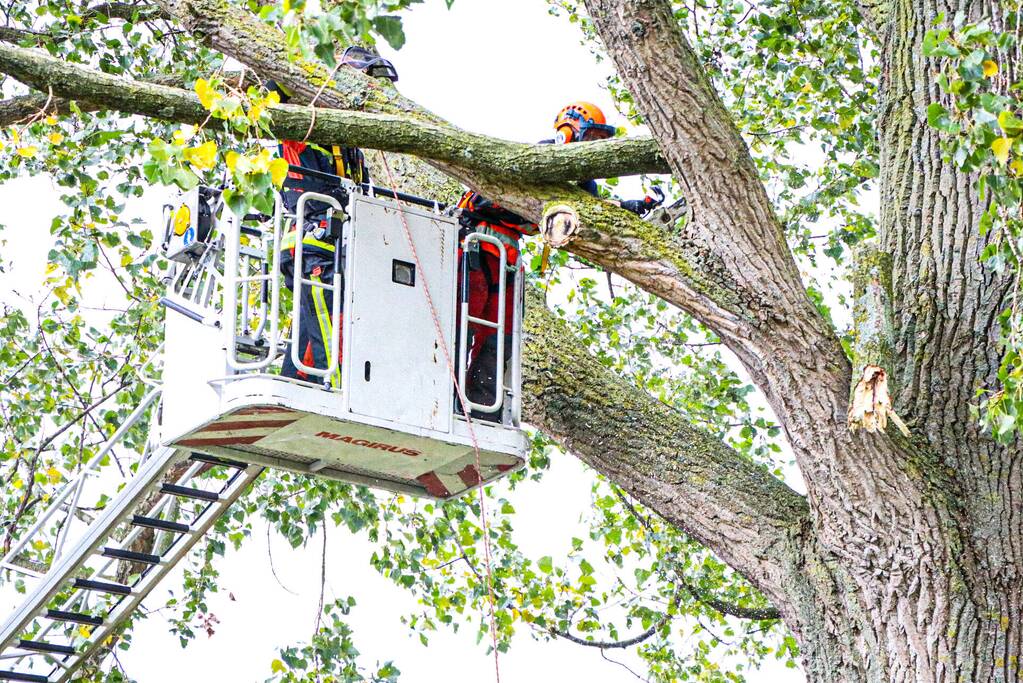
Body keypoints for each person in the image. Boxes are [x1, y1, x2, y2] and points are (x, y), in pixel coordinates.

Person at [458, 101, 660, 415]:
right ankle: (446, 393)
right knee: (462, 323)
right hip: (476, 242)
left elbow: (595, 211)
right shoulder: (541, 157)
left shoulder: (584, 185)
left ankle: (482, 406)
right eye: (590, 136)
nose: (593, 146)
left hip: (507, 256)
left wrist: (632, 206)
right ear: (572, 129)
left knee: (501, 336)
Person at [270, 46, 398, 387]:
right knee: (332, 336)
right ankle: (339, 392)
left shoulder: (352, 150)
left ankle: (295, 389)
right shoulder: (302, 124)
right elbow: (274, 88)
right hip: (314, 244)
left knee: (311, 339)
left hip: (343, 251)